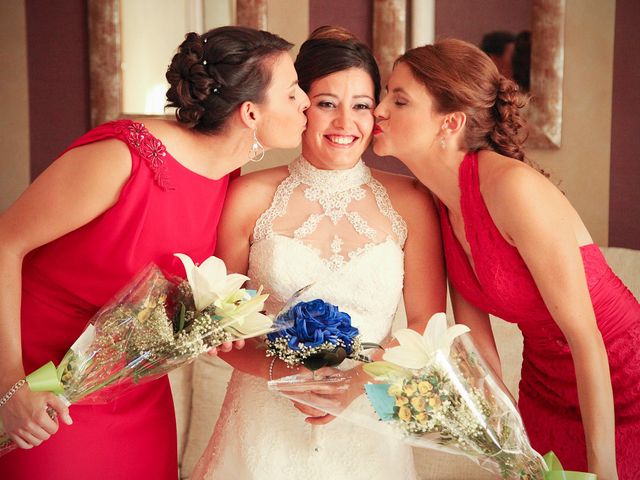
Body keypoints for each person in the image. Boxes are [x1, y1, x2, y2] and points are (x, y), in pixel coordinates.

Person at [0, 26, 309, 479]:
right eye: (292, 92)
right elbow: (6, 242)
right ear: (250, 113)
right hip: (40, 380)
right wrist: (10, 386)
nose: (304, 101)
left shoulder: (230, 175)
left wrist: (209, 325)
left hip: (131, 387)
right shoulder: (127, 155)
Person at [372, 38, 640, 480]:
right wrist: (507, 444)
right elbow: (476, 347)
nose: (380, 110)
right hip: (544, 389)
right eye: (384, 95)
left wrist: (603, 470)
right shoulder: (439, 204)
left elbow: (585, 336)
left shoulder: (512, 188)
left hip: (619, 376)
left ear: (450, 122)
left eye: (398, 99)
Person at [191, 26, 446, 480]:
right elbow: (219, 328)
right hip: (263, 424)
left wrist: (355, 385)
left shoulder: (412, 201)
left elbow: (427, 322)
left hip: (367, 425)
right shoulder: (248, 195)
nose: (346, 124)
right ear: (301, 105)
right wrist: (282, 375)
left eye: (362, 106)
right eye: (327, 103)